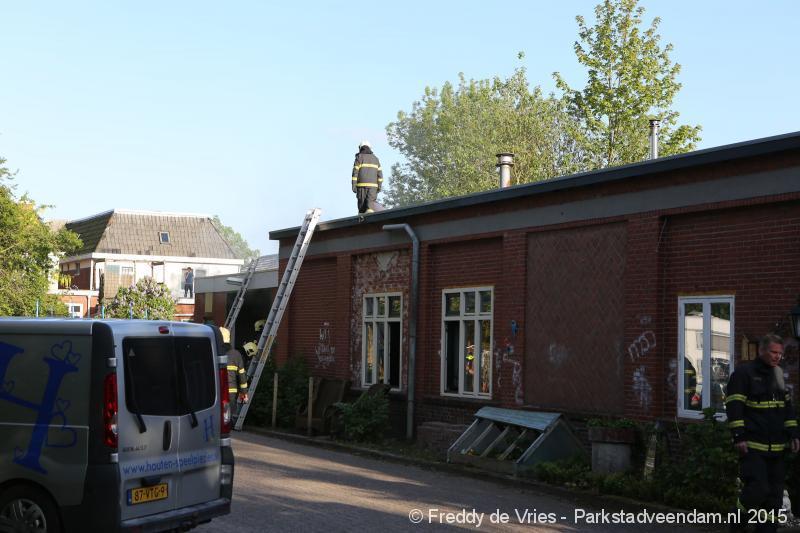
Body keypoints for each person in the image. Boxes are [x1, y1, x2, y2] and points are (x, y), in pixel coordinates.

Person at [726, 333, 799, 532]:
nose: (777, 357)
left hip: (777, 448)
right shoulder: (744, 374)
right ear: (762, 351)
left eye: (780, 353)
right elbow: (734, 406)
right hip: (753, 446)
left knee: (775, 497)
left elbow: (787, 408)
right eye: (773, 352)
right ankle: (737, 520)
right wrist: (739, 436)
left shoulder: (778, 374)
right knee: (758, 489)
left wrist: (794, 433)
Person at [219, 327, 248, 416]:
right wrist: (244, 393)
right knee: (228, 417)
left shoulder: (214, 352)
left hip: (217, 392)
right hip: (231, 392)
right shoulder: (236, 354)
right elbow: (242, 376)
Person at [351, 140, 383, 215]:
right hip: (373, 188)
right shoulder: (376, 159)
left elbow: (355, 174)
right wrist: (379, 187)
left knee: (361, 210)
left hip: (361, 188)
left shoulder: (359, 157)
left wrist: (354, 186)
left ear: (360, 148)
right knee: (370, 208)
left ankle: (361, 220)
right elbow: (380, 175)